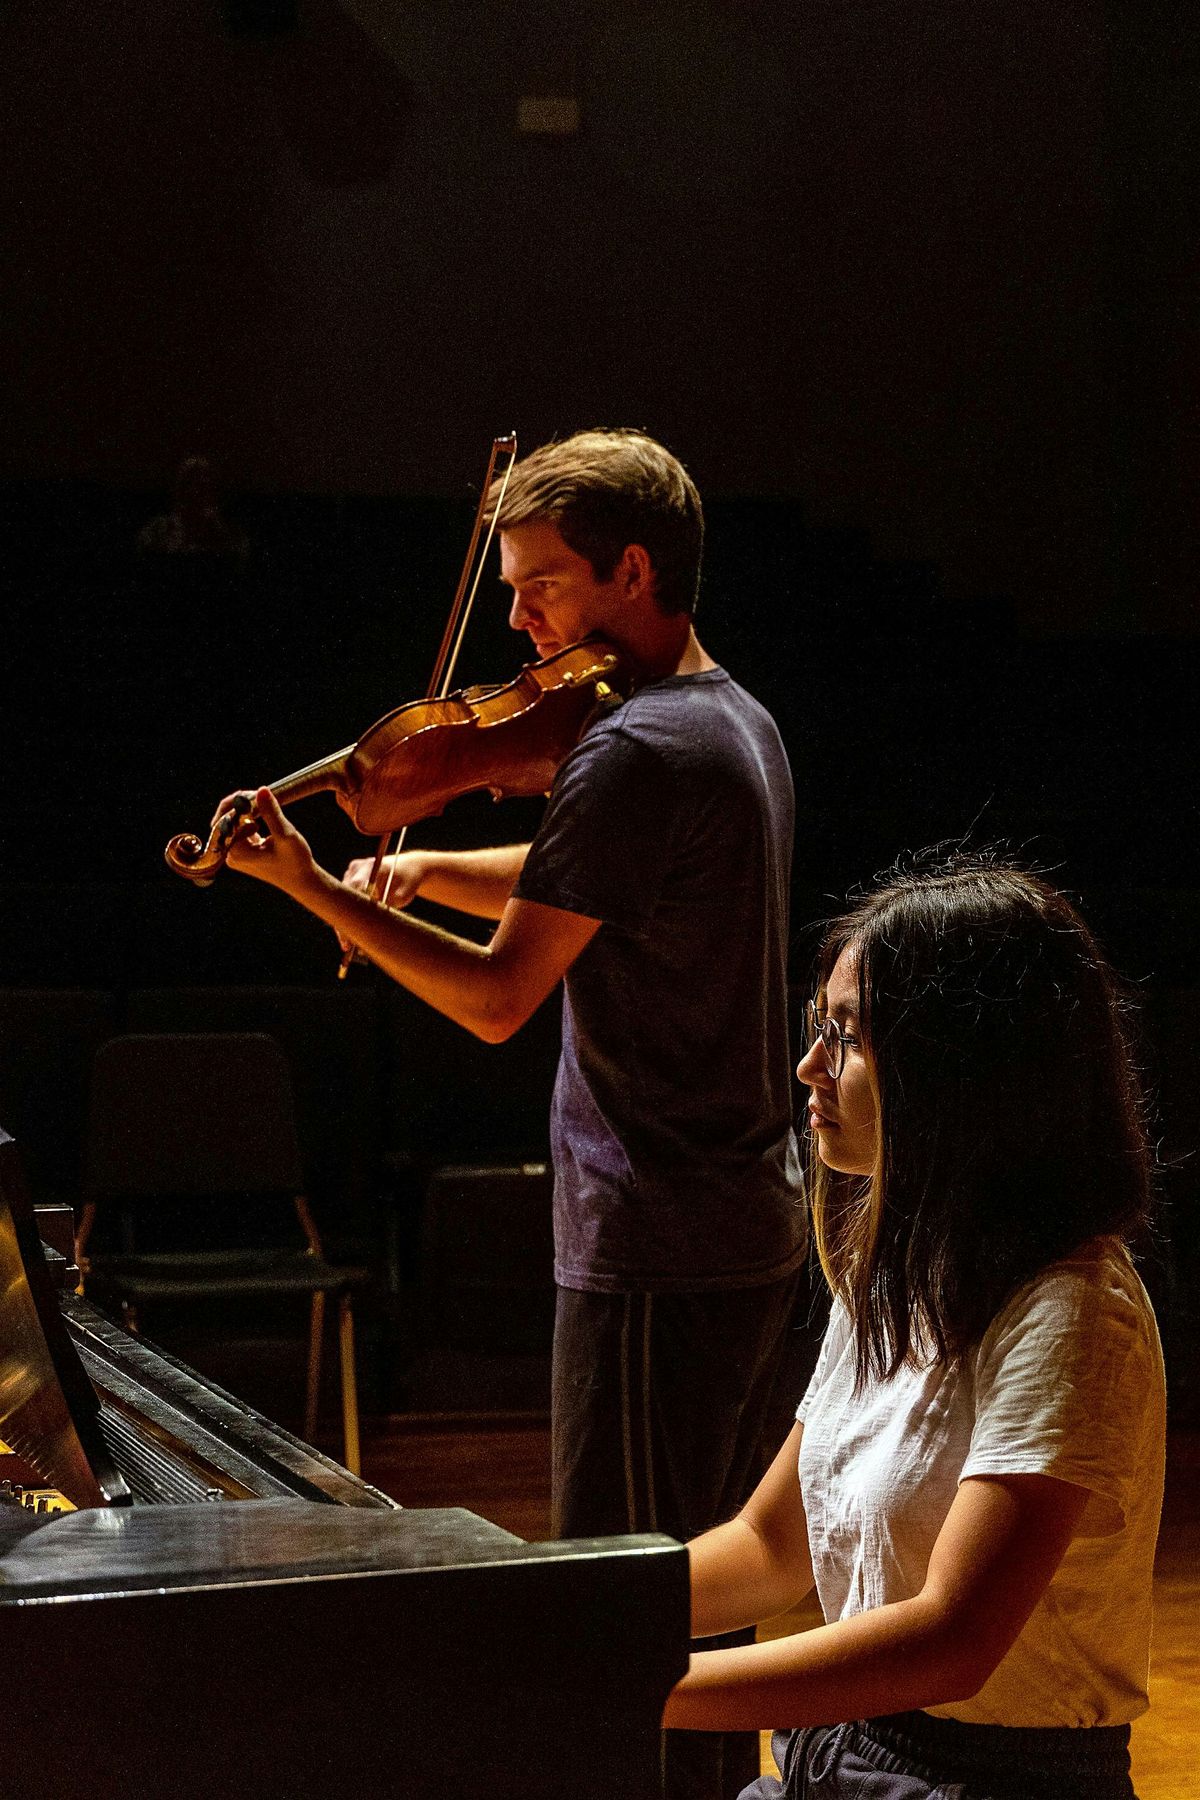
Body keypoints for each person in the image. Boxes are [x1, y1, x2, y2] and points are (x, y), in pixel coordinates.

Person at [221, 429, 807, 1800]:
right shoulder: (727, 717)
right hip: (735, 1227)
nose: (517, 622)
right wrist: (423, 864)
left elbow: (499, 1000)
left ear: (633, 571)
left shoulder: (634, 753)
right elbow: (581, 885)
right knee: (693, 1594)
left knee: (619, 1609)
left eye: (542, 583)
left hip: (654, 1239)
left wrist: (315, 887)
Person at [663, 853, 1165, 1800]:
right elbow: (773, 1549)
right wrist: (560, 1607)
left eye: (845, 1036)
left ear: (958, 1068)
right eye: (819, 1029)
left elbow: (951, 1642)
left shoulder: (1073, 1311)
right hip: (835, 1760)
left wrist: (638, 1685)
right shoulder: (899, 1269)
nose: (808, 1065)